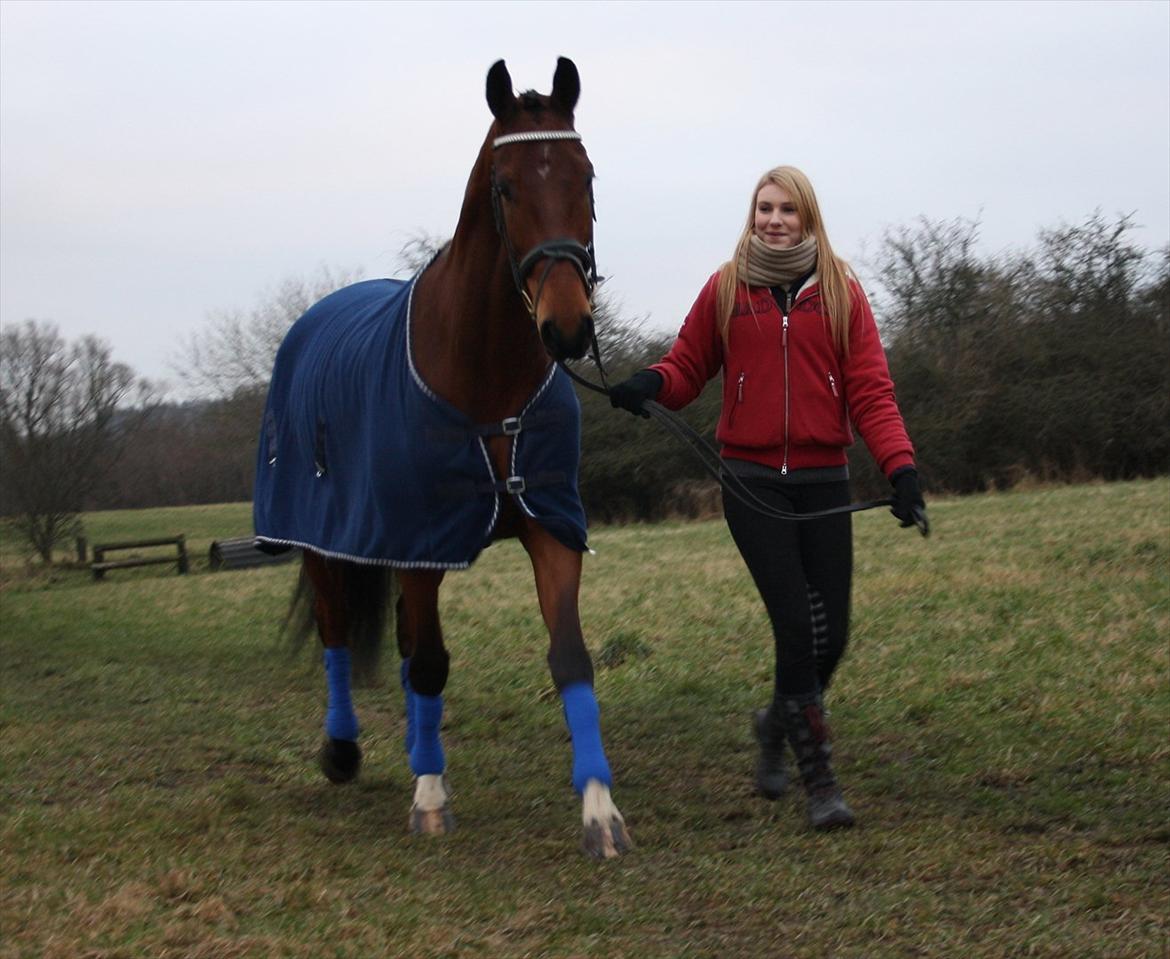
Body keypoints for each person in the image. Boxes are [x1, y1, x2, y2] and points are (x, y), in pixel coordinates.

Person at [608, 165, 927, 831]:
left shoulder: (842, 293)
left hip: (823, 480)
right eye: (764, 208)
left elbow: (871, 389)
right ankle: (822, 784)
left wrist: (900, 469)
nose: (774, 219)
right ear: (752, 216)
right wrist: (646, 383)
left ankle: (777, 720)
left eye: (787, 209)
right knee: (794, 625)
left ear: (808, 219)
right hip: (750, 482)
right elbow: (687, 367)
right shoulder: (727, 288)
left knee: (830, 634)